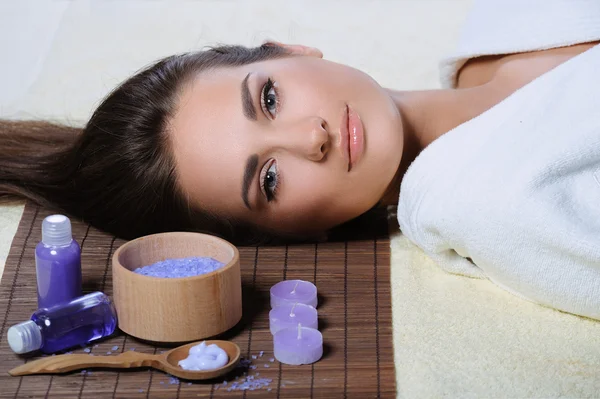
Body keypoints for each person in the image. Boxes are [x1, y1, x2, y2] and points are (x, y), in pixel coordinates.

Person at [1, 1, 599, 318]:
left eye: (267, 98)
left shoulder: (503, 19)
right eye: (269, 178)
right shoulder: (494, 206)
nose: (310, 139)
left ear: (290, 50)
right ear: (302, 234)